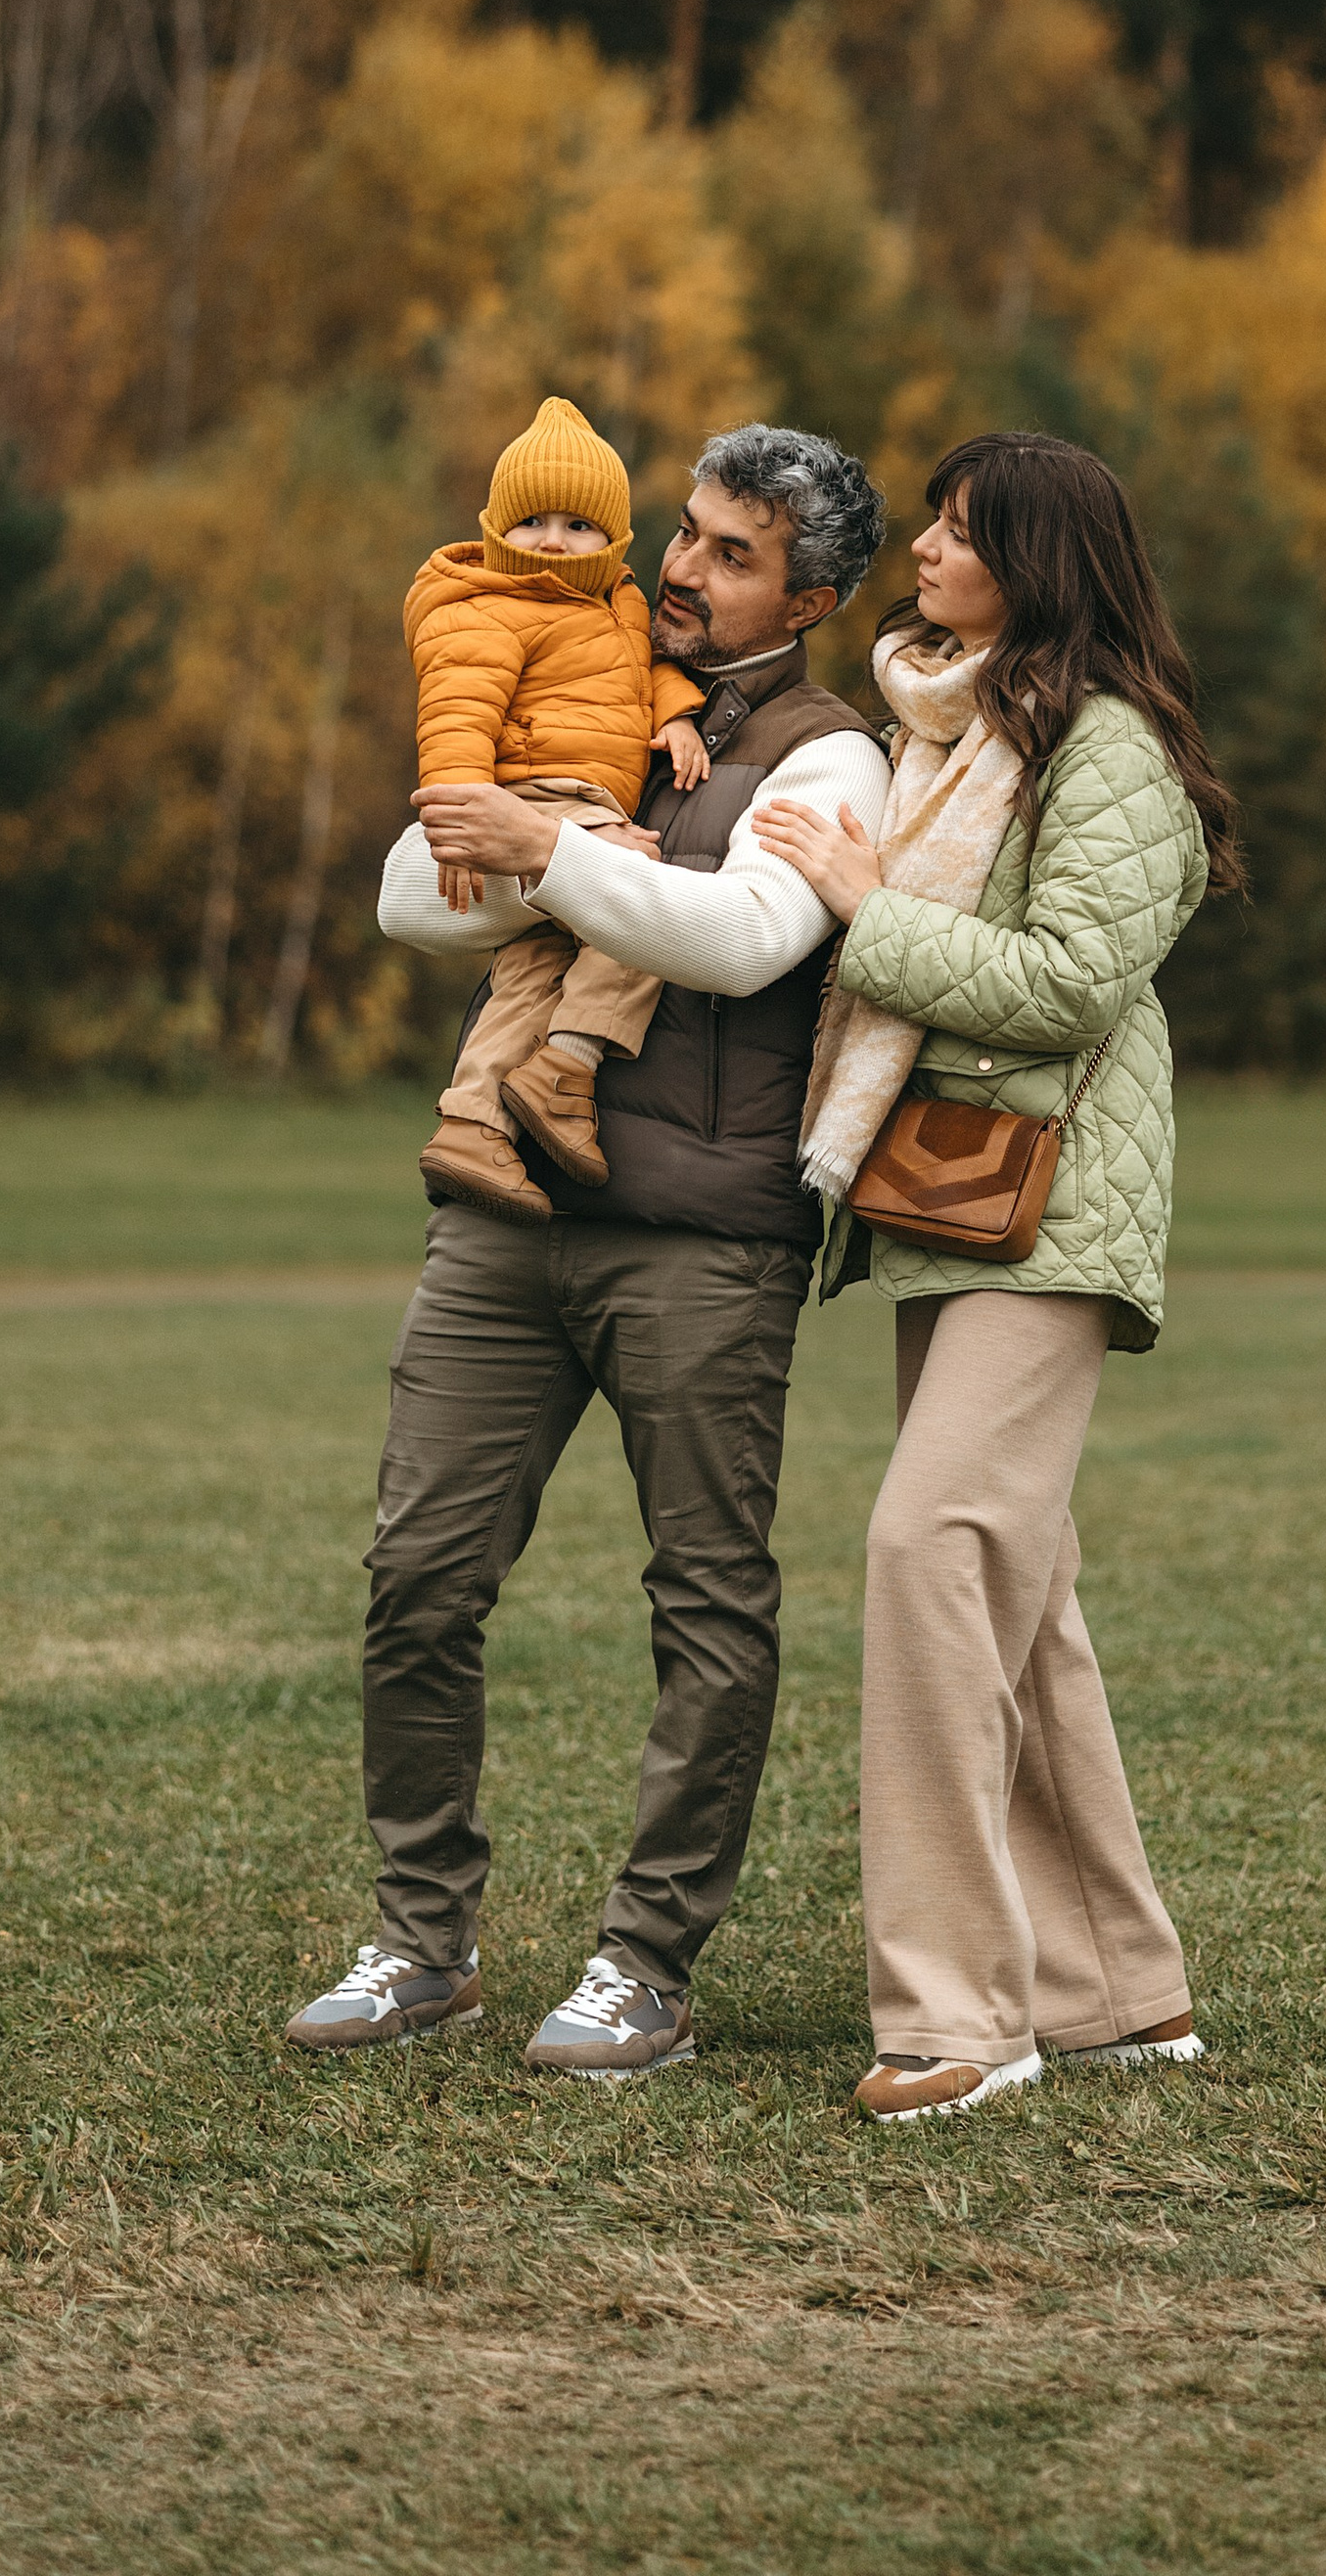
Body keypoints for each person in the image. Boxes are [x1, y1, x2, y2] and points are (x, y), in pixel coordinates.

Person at [283, 424, 890, 2081]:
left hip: (699, 1242)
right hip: (503, 1217)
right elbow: (418, 891)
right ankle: (423, 1942)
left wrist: (550, 850)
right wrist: (555, 835)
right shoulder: (591, 671)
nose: (682, 569)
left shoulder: (835, 761)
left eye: (732, 553)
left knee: (704, 1600)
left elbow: (744, 936)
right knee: (418, 1578)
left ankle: (648, 1967)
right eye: (684, 534)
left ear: (814, 596)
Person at [752, 430, 1244, 2124]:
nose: (930, 556)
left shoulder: (1107, 750)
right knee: (1019, 1602)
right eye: (937, 529)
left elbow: (1067, 981)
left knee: (926, 1544)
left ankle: (966, 2016)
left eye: (965, 535)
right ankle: (1113, 1989)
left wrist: (867, 913)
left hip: (1056, 1208)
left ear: (1045, 565)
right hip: (956, 1206)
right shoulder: (955, 731)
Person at [403, 393, 709, 1217]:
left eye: (578, 526)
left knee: (535, 966)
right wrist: (461, 823)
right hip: (538, 792)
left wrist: (675, 711)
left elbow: (639, 667)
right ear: (499, 527)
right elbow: (457, 713)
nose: (553, 540)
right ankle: (568, 1066)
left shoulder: (621, 599)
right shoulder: (486, 606)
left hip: (586, 796)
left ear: (613, 539)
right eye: (533, 520)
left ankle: (471, 1124)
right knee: (639, 890)